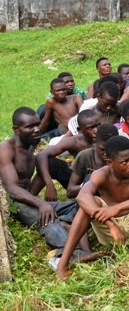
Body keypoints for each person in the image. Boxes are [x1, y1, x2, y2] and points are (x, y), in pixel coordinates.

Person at [56, 136, 129, 280]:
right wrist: (110, 224)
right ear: (110, 163)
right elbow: (82, 196)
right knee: (91, 202)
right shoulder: (101, 174)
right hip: (110, 234)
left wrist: (117, 208)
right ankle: (63, 264)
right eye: (125, 162)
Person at [0, 107, 78, 249]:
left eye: (37, 124)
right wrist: (41, 204)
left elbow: (43, 160)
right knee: (48, 220)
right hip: (14, 202)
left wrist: (48, 185)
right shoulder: (6, 149)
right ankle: (71, 251)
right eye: (30, 126)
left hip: (29, 197)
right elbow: (11, 189)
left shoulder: (31, 143)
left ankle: (61, 219)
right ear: (16, 129)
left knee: (78, 205)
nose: (37, 129)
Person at [32, 110, 101, 197]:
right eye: (91, 128)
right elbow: (40, 156)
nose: (96, 130)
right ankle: (29, 198)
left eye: (98, 125)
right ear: (79, 130)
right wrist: (49, 185)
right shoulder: (74, 141)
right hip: (77, 180)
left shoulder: (108, 137)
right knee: (50, 163)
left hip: (101, 181)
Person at [67, 123, 120, 198]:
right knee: (90, 178)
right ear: (94, 143)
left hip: (116, 200)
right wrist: (91, 185)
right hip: (90, 199)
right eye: (103, 150)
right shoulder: (85, 156)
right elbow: (70, 191)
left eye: (111, 149)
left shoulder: (122, 157)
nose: (107, 154)